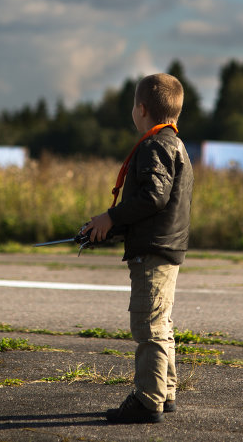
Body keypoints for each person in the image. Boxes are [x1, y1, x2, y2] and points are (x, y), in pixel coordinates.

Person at [83, 72, 194, 424]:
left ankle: (148, 401)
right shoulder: (175, 143)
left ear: (141, 109)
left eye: (133, 105)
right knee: (162, 321)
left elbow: (153, 197)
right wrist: (115, 228)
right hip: (166, 246)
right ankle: (166, 391)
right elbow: (157, 201)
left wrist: (111, 218)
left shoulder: (154, 146)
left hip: (154, 251)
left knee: (149, 327)